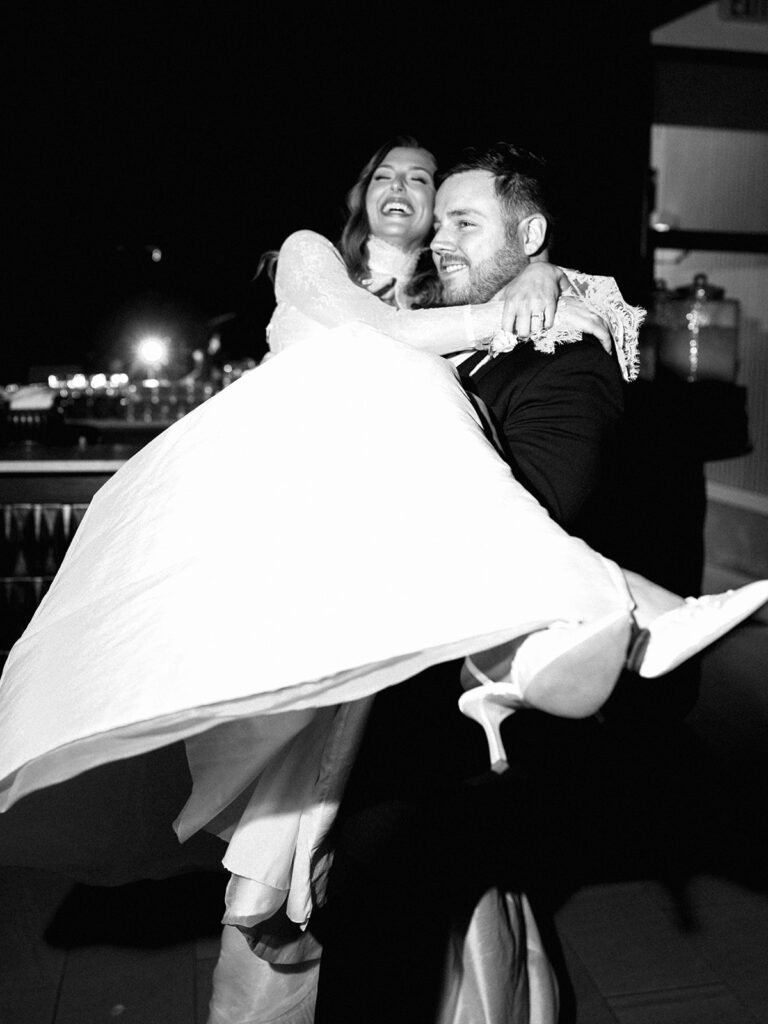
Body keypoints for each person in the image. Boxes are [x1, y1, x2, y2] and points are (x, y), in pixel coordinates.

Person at [0, 138, 764, 1024]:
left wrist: (551, 283)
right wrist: (517, 304)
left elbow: (562, 358)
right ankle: (595, 617)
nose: (413, 201)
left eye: (432, 191)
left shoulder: (493, 315)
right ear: (359, 195)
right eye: (388, 178)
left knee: (368, 896)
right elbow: (385, 339)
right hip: (308, 556)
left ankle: (565, 631)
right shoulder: (317, 260)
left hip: (394, 635)